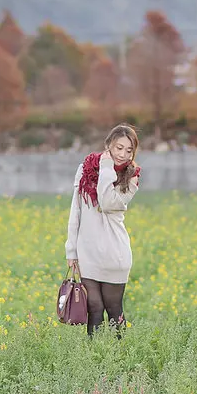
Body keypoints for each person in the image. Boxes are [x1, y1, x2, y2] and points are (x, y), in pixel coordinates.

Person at [65, 123, 142, 338]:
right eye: (118, 148)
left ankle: (120, 358)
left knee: (113, 308)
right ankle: (96, 361)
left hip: (114, 253)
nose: (123, 154)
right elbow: (76, 211)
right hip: (88, 251)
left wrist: (107, 168)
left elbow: (107, 202)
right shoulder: (84, 169)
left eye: (129, 150)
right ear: (108, 145)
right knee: (94, 308)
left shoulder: (132, 176)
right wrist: (71, 250)